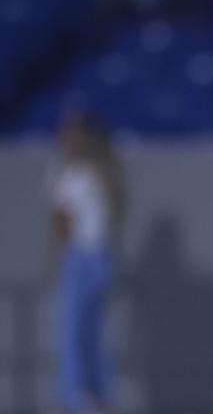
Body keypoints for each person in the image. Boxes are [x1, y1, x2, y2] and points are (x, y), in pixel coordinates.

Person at [46, 113, 125, 414]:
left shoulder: (96, 170)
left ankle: (92, 395)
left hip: (94, 254)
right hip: (85, 254)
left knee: (88, 330)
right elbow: (61, 221)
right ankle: (81, 395)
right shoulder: (67, 171)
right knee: (77, 330)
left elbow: (114, 211)